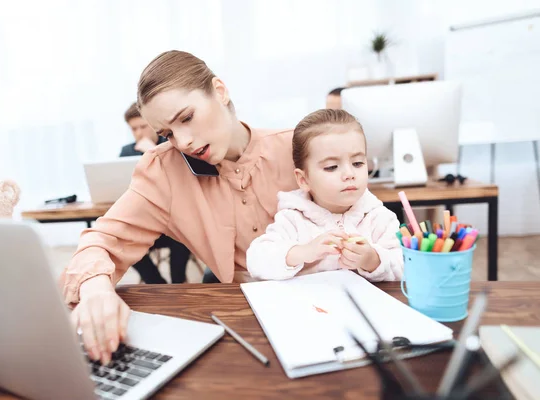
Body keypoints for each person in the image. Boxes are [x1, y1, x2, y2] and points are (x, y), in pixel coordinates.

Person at [60, 50, 298, 365]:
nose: (183, 142)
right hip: (246, 324)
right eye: (168, 133)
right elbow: (99, 241)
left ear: (220, 92)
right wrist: (96, 291)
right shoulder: (163, 172)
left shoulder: (298, 145)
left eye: (186, 118)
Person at [246, 109, 403, 281]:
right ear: (303, 179)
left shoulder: (379, 218)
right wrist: (303, 252)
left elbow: (406, 267)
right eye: (331, 167)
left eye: (357, 163)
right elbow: (256, 261)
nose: (349, 174)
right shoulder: (292, 219)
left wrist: (373, 260)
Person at [119, 103, 190, 284]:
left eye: (143, 126)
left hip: (173, 223)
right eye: (134, 129)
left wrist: (151, 152)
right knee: (123, 242)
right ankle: (156, 284)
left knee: (183, 236)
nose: (139, 133)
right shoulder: (126, 152)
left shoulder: (170, 144)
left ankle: (178, 285)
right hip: (146, 222)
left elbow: (179, 184)